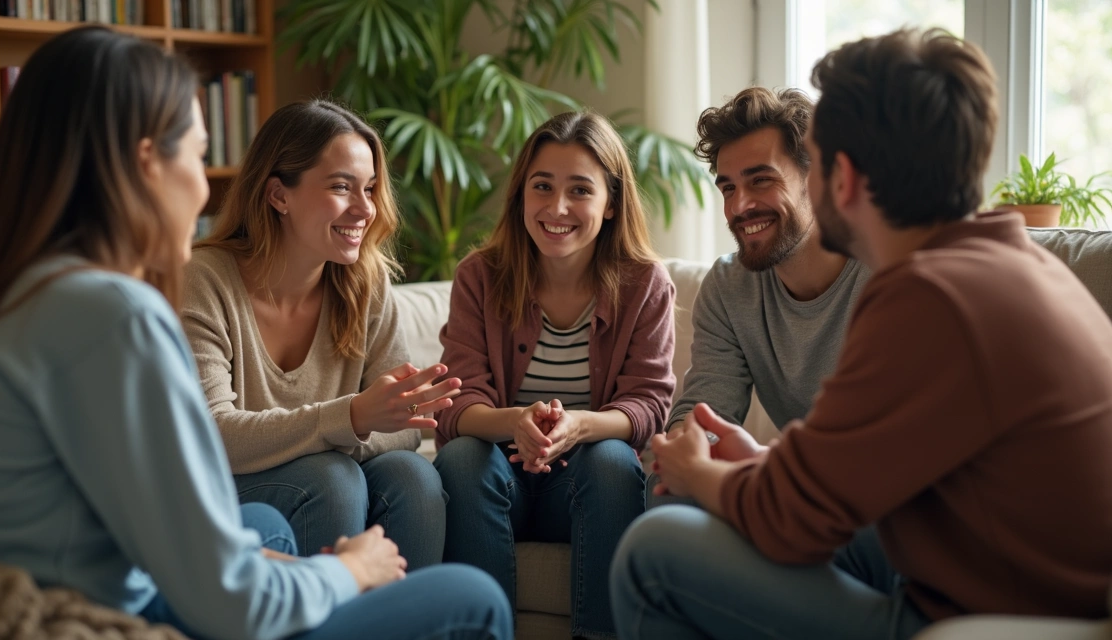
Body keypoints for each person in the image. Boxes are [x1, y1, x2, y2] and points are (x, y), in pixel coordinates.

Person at [0, 27, 510, 640]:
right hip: (90, 610)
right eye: (196, 154)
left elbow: (113, 514)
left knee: (272, 525)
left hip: (64, 578)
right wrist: (347, 572)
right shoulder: (117, 313)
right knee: (472, 597)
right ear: (145, 164)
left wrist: (284, 562)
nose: (204, 187)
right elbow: (231, 601)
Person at [612, 28, 1112, 640]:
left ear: (839, 178)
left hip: (986, 612)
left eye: (813, 164)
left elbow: (791, 519)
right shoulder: (1009, 263)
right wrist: (765, 462)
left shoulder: (929, 296)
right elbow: (875, 471)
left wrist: (700, 475)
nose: (740, 204)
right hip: (994, 570)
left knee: (654, 549)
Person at [182, 100, 455, 568]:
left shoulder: (366, 282)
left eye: (369, 188)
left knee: (413, 476)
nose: (365, 208)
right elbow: (212, 435)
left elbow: (406, 429)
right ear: (278, 195)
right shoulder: (205, 280)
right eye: (341, 187)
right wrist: (351, 416)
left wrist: (358, 423)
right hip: (226, 486)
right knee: (332, 478)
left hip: (332, 473)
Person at [435, 110, 676, 638]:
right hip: (501, 482)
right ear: (522, 193)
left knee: (612, 460)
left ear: (610, 203)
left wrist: (581, 427)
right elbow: (455, 403)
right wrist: (516, 420)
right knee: (461, 457)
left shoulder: (645, 283)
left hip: (587, 488)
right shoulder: (480, 276)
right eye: (541, 186)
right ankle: (483, 630)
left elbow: (651, 405)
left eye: (580, 191)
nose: (557, 207)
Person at [665, 86, 870, 440]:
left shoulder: (884, 273)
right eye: (728, 188)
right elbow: (707, 410)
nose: (739, 206)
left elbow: (896, 439)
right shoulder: (728, 287)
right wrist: (688, 444)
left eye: (761, 180)